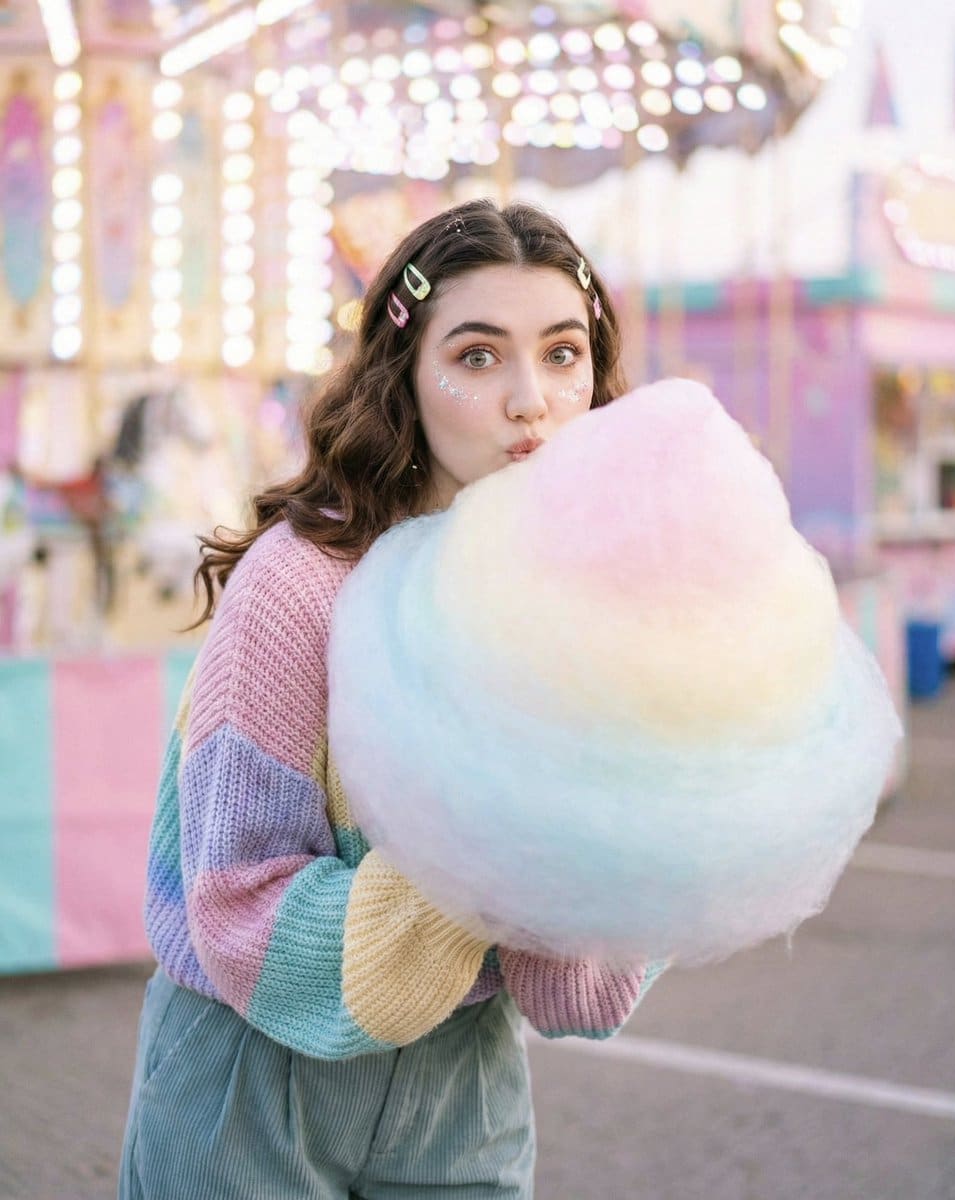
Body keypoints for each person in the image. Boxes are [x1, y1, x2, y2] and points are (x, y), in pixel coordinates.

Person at [118, 197, 665, 1200]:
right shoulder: (299, 584)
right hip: (254, 1076)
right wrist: (489, 833)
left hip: (462, 1079)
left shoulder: (579, 594)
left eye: (561, 353)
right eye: (476, 356)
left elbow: (578, 984)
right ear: (406, 376)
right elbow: (237, 907)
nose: (529, 401)